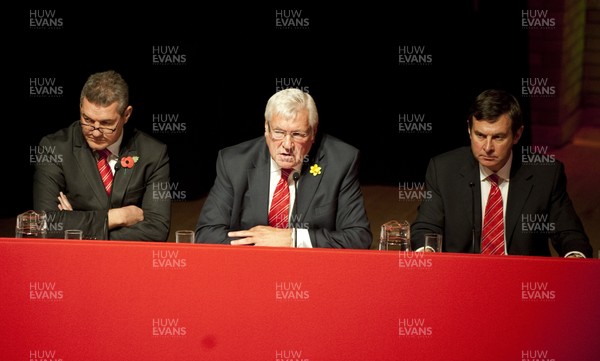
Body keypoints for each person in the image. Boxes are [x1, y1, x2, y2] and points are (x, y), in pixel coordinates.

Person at [411, 89, 592, 258]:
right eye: (480, 135)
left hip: (523, 281)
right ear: (469, 129)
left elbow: (569, 233)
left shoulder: (546, 174)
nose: (487, 147)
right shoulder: (443, 170)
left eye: (498, 137)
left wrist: (575, 258)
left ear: (517, 135)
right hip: (461, 278)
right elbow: (426, 227)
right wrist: (428, 253)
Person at [195, 87, 372, 248]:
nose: (287, 145)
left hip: (311, 270)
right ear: (266, 128)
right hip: (251, 269)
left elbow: (358, 237)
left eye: (297, 134)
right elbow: (207, 233)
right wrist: (261, 244)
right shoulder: (234, 162)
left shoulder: (340, 162)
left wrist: (293, 239)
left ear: (313, 132)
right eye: (279, 132)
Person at [33, 70, 171, 241]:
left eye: (106, 123)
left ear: (126, 115)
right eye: (88, 120)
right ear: (80, 108)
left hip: (127, 260)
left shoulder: (153, 153)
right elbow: (46, 224)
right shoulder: (54, 148)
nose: (95, 133)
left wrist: (77, 228)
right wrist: (116, 217)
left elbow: (157, 231)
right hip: (71, 261)